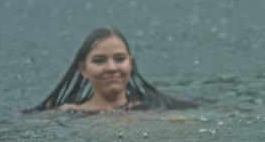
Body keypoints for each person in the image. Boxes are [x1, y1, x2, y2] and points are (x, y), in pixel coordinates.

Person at [25, 26, 198, 113]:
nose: (111, 68)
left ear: (130, 63)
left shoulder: (155, 110)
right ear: (83, 69)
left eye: (120, 59)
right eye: (99, 60)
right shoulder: (66, 114)